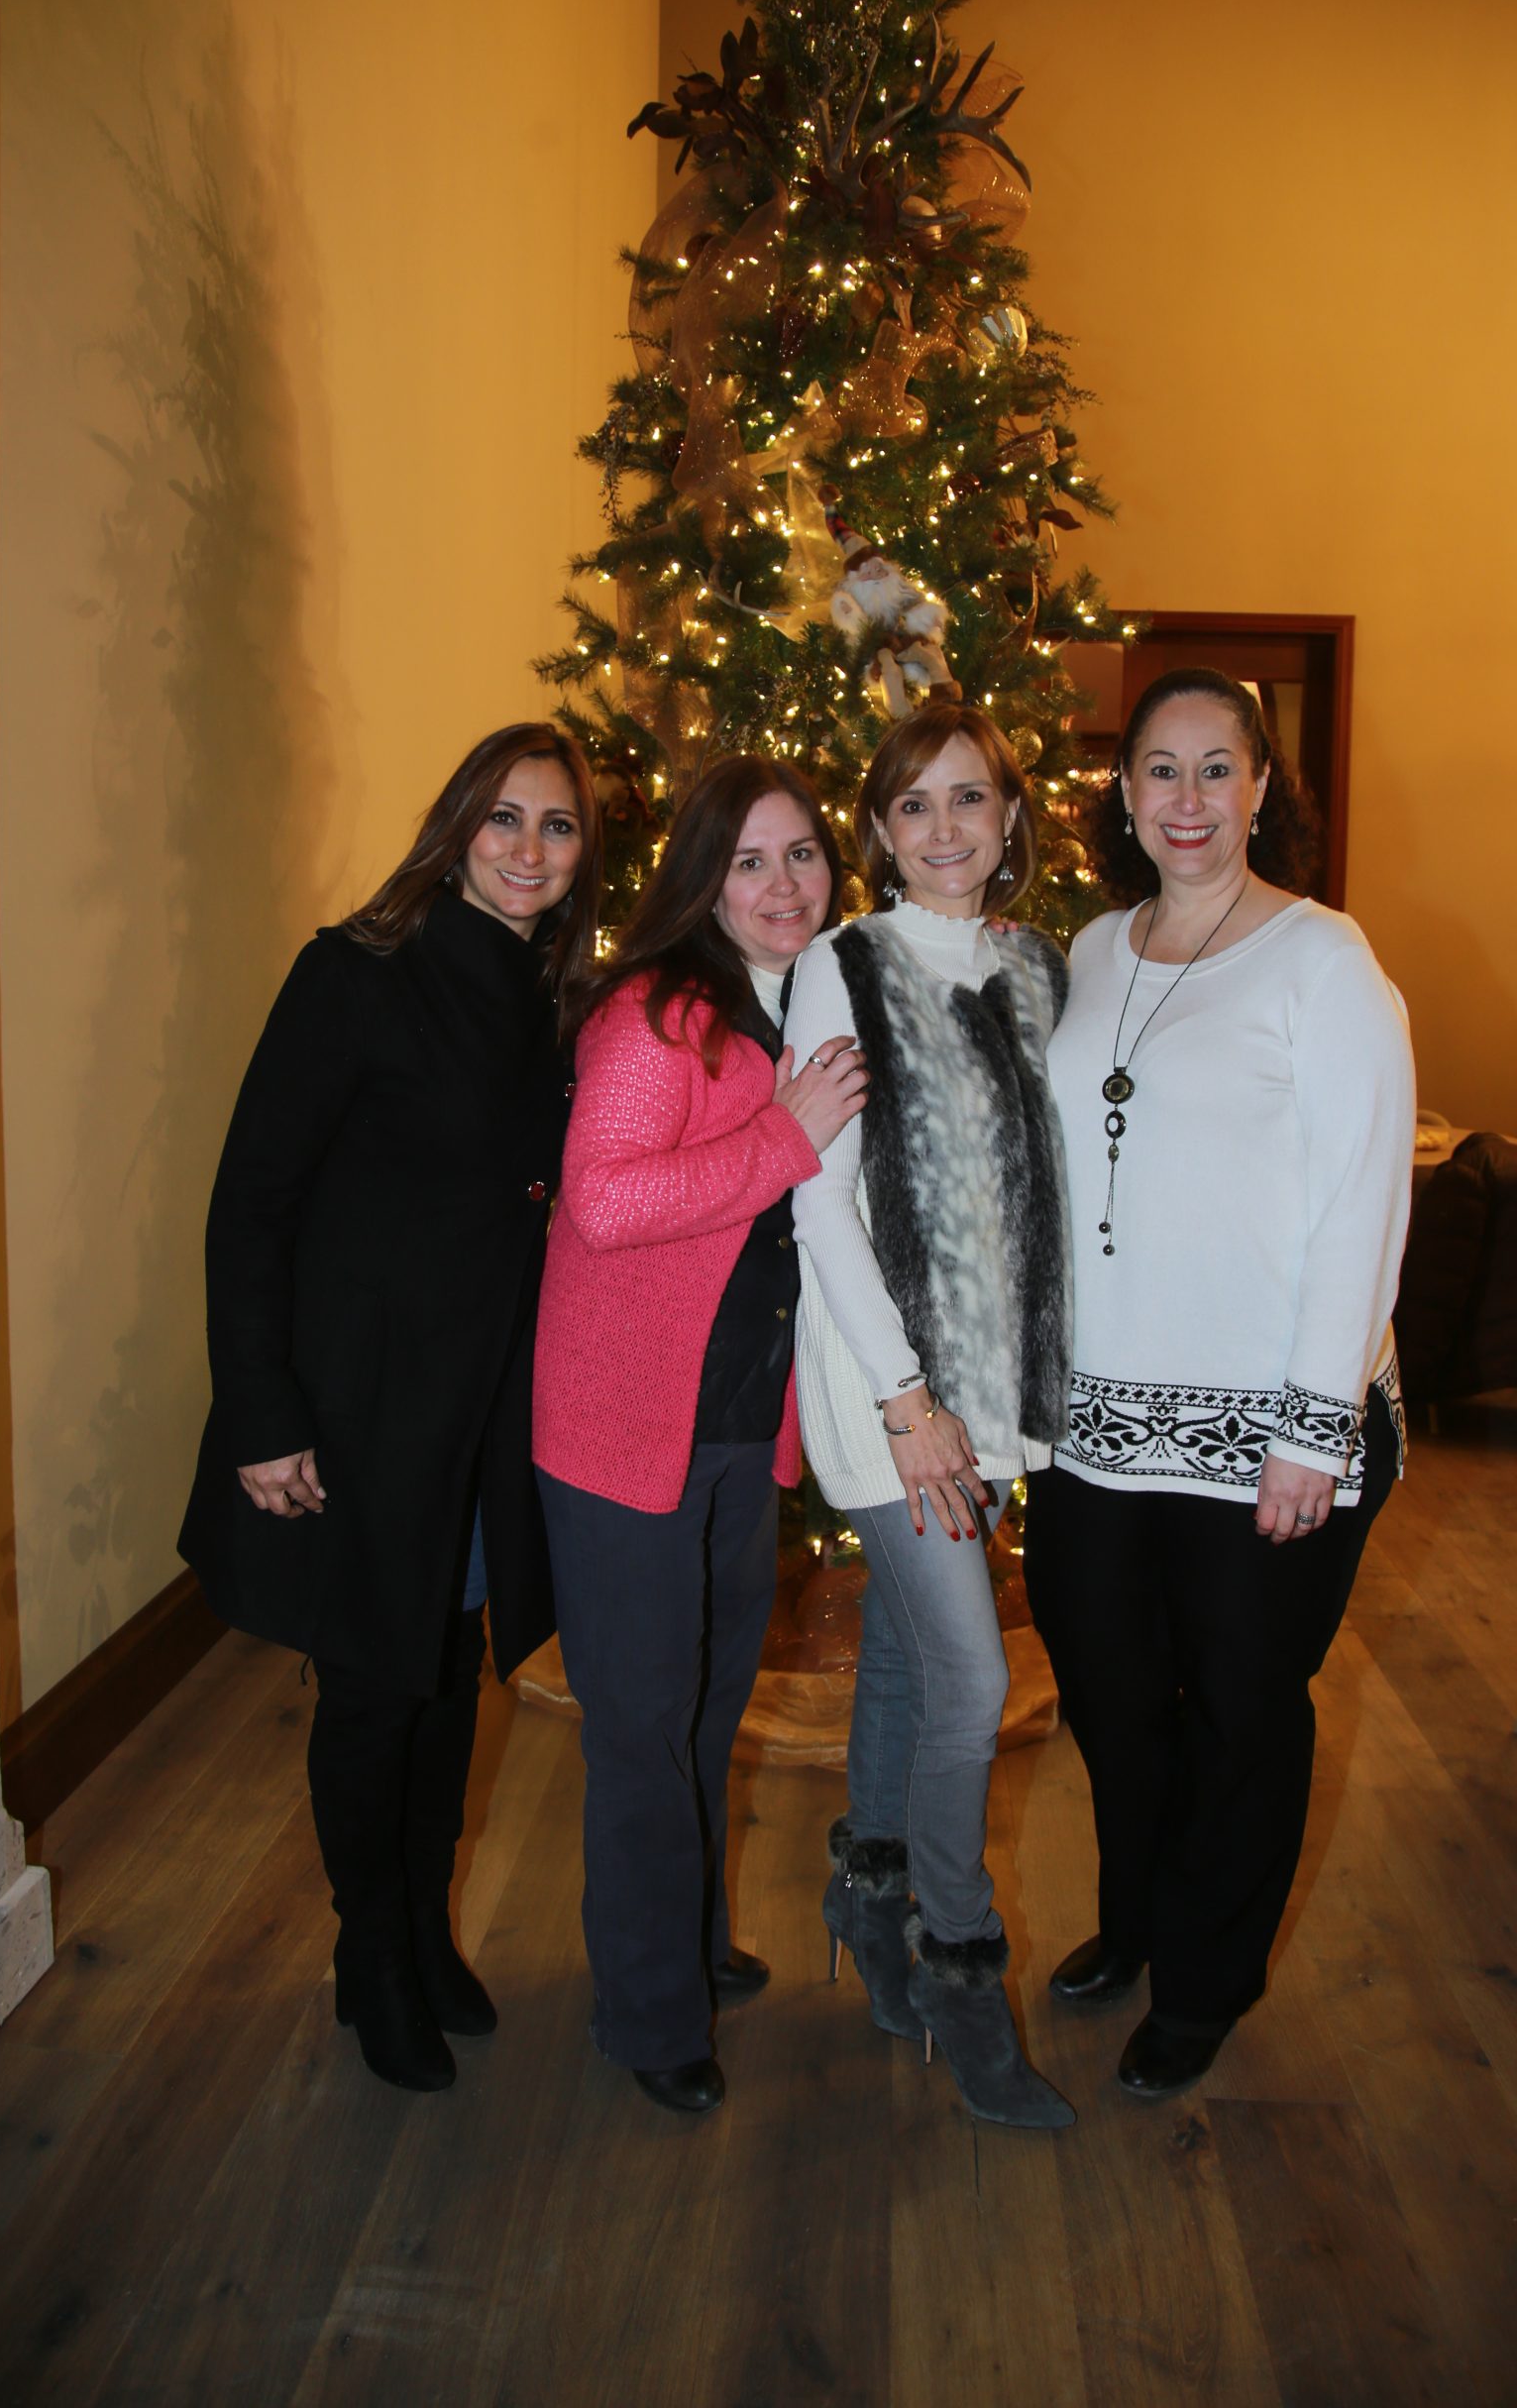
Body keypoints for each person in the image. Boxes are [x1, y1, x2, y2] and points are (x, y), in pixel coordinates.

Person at [179, 722, 601, 2094]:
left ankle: (424, 1926)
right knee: (372, 1688)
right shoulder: (355, 972)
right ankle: (371, 1954)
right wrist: (262, 1410)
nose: (529, 848)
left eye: (557, 825)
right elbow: (252, 1204)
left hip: (479, 1418)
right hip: (360, 1412)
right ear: (455, 829)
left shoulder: (555, 999)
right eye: (504, 818)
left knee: (445, 1678)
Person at [1025, 666, 1414, 2097]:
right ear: (1123, 793)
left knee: (1243, 1713)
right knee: (1112, 1699)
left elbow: (1365, 1202)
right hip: (1097, 1423)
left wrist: (1313, 1427)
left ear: (1259, 789)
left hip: (1269, 1427)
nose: (1185, 798)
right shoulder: (1091, 949)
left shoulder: (1324, 960)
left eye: (1215, 768)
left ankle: (1203, 1982)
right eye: (1159, 769)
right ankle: (1138, 1917)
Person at [533, 755, 865, 2117]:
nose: (784, 886)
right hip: (624, 1435)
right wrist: (785, 1135)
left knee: (707, 1711)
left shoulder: (804, 1007)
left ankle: (686, 1943)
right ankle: (649, 2012)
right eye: (749, 861)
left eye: (803, 855)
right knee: (641, 1731)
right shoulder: (653, 1015)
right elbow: (605, 1203)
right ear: (702, 880)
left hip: (730, 1431)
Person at [784, 701, 1076, 2132]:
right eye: (915, 804)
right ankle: (965, 1974)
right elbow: (815, 1199)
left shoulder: (1039, 968)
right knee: (968, 1683)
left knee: (906, 1659)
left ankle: (868, 1889)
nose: (945, 827)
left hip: (996, 1386)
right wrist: (906, 1402)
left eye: (970, 797)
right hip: (884, 1386)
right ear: (880, 831)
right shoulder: (841, 966)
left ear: (1009, 816)